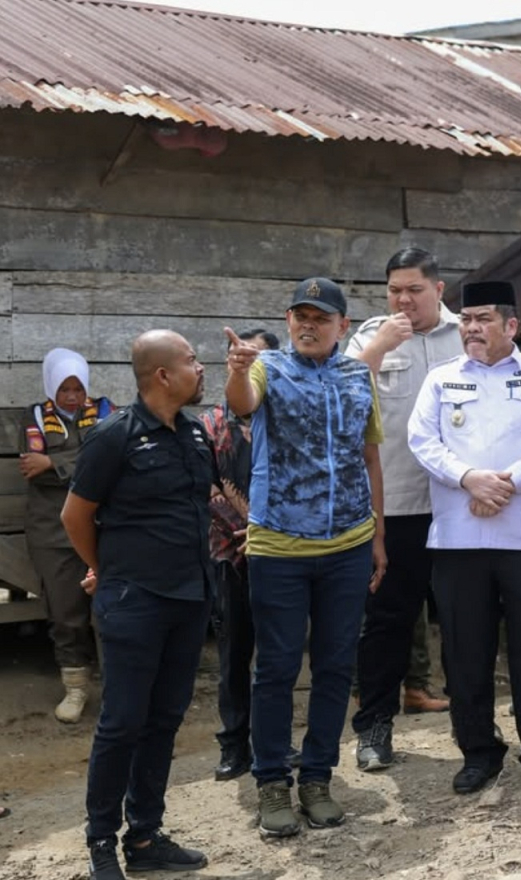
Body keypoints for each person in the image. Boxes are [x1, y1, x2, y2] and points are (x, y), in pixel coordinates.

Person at [225, 278, 387, 838]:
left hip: (348, 544)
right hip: (280, 547)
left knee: (336, 666)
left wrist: (379, 539)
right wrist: (238, 369)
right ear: (288, 321)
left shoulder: (358, 375)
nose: (309, 325)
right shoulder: (268, 368)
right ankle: (271, 781)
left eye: (321, 317)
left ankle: (317, 777)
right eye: (300, 316)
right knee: (275, 667)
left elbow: (369, 458)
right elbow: (241, 403)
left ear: (343, 326)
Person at [407, 280, 521, 794]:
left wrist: (506, 483)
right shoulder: (441, 380)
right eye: (466, 320)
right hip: (460, 540)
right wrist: (468, 478)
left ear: (510, 325)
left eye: (483, 319)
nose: (472, 329)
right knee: (465, 652)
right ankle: (478, 752)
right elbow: (422, 440)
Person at [61, 330, 213, 880]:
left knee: (165, 719)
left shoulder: (194, 434)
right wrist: (107, 568)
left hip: (190, 598)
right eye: (193, 361)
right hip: (134, 600)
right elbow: (75, 517)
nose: (202, 369)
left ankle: (144, 836)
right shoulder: (114, 437)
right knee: (123, 722)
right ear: (163, 376)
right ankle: (101, 840)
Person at [345, 247, 462, 772]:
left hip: (461, 502)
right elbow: (338, 394)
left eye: (414, 289)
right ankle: (374, 727)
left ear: (438, 289)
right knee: (387, 622)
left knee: (466, 617)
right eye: (394, 290)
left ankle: (475, 728)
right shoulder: (371, 336)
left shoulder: (467, 334)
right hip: (396, 505)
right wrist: (378, 347)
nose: (403, 299)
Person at [199, 329, 282, 782]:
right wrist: (247, 529)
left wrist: (270, 531)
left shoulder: (284, 416)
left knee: (278, 653)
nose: (251, 363)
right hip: (231, 554)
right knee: (234, 652)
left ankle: (275, 740)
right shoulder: (210, 425)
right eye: (242, 355)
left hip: (283, 553)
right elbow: (207, 488)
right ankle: (234, 744)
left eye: (260, 357)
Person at [21, 348, 114, 724]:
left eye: (78, 388)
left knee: (110, 611)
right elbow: (32, 466)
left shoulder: (106, 414)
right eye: (64, 389)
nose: (73, 396)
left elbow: (109, 460)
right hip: (52, 531)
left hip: (101, 527)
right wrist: (79, 461)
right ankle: (76, 687)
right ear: (51, 387)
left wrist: (55, 463)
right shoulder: (34, 419)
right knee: (66, 613)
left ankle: (116, 688)